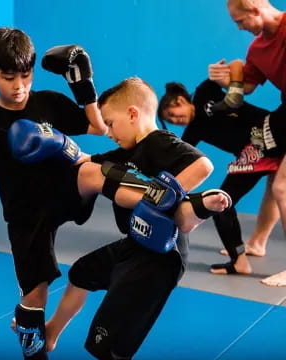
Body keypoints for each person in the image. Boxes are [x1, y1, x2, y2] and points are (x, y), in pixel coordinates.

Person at [0, 27, 108, 360]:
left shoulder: (48, 102)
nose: (19, 86)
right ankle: (33, 346)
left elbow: (98, 127)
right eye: (8, 78)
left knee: (95, 170)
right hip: (25, 212)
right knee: (36, 295)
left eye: (25, 75)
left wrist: (81, 85)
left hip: (64, 192)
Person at [36, 77, 231, 360]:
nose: (108, 132)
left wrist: (164, 195)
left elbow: (203, 164)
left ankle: (192, 210)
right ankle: (52, 331)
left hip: (160, 256)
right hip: (135, 244)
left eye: (110, 123)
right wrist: (56, 143)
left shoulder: (158, 142)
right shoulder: (124, 153)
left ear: (132, 114)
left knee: (109, 345)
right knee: (80, 273)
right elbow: (87, 162)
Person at [157, 69, 281, 275]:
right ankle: (256, 244)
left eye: (172, 114)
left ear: (180, 100)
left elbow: (237, 67)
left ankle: (240, 261)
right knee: (269, 192)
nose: (175, 121)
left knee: (221, 204)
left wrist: (228, 71)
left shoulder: (205, 91)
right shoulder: (193, 131)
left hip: (267, 136)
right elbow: (180, 157)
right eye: (170, 121)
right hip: (254, 154)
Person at [208, 0, 286, 286]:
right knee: (275, 178)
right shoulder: (256, 48)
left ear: (255, 9)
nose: (240, 27)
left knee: (283, 185)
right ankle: (257, 243)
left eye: (240, 21)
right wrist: (226, 77)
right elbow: (247, 87)